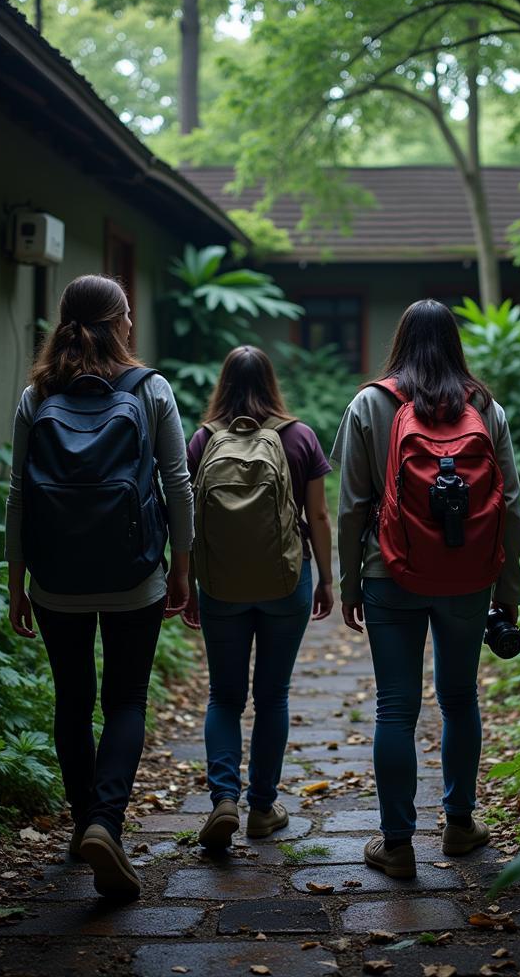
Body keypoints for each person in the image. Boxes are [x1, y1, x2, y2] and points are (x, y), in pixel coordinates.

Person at [5, 275, 192, 901]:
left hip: (56, 578)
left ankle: (85, 822)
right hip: (133, 574)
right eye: (129, 314)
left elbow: (18, 497)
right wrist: (183, 567)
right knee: (126, 702)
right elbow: (177, 484)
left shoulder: (38, 394)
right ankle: (105, 823)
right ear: (118, 322)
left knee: (71, 700)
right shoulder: (151, 388)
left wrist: (16, 581)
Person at [331, 299, 520, 880]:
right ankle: (460, 826)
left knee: (396, 706)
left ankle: (397, 844)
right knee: (460, 698)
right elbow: (510, 504)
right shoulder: (485, 408)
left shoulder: (371, 403)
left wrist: (348, 581)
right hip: (468, 576)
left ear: (400, 341)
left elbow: (351, 506)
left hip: (388, 572)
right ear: (455, 343)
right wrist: (506, 586)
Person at [182, 346, 334, 849]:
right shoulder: (300, 437)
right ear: (272, 382)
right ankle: (262, 808)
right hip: (286, 582)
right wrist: (328, 579)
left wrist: (185, 580)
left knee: (224, 696)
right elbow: (318, 518)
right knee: (273, 696)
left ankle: (224, 797)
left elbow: (184, 519)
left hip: (221, 585)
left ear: (222, 384)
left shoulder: (203, 441)